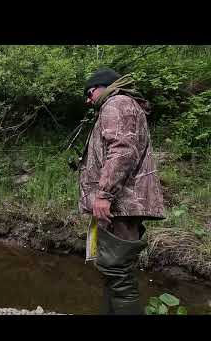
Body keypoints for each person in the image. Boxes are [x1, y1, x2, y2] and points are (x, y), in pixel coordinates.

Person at [79, 68, 165, 315]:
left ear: (105, 86)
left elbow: (123, 150)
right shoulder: (121, 104)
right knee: (112, 270)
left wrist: (104, 194)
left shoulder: (117, 103)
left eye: (90, 92)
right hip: (120, 204)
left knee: (117, 272)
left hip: (121, 203)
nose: (88, 99)